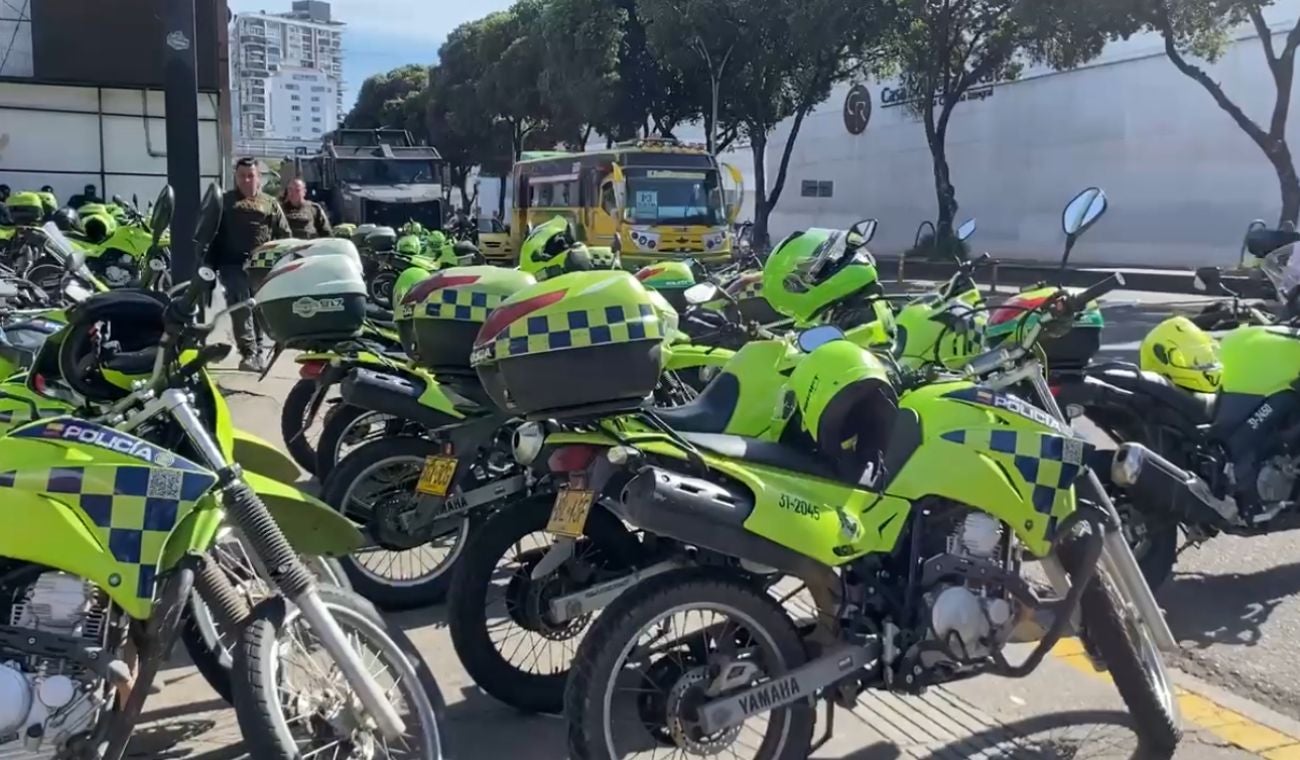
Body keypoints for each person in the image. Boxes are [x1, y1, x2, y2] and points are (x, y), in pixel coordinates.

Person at [210, 157, 291, 372]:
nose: (247, 180)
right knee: (241, 306)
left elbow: (284, 235)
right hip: (231, 264)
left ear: (259, 178)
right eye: (242, 176)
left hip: (261, 266)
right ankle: (248, 353)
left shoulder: (270, 203)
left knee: (259, 308)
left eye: (251, 176)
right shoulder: (224, 202)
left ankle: (259, 352)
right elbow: (211, 234)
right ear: (236, 178)